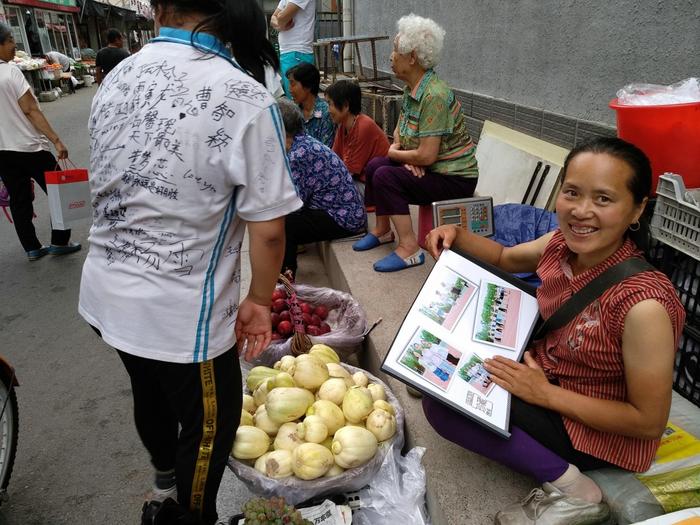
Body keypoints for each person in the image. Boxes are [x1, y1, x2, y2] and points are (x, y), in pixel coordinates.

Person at [78, 0, 302, 523]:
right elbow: (269, 232)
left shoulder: (118, 75)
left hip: (106, 294)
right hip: (182, 316)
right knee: (212, 427)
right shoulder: (247, 96)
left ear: (157, 8)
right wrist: (259, 301)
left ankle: (163, 476)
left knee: (147, 386)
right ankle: (191, 514)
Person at [423, 137, 686, 525]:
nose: (581, 211)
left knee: (442, 406)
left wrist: (543, 394)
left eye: (603, 199)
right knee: (439, 370)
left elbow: (647, 421)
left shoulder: (643, 305)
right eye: (572, 193)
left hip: (600, 430)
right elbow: (503, 258)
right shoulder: (560, 245)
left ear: (637, 210)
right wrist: (455, 237)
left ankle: (576, 489)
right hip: (548, 372)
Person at [352, 14, 479, 273]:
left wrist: (402, 157)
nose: (391, 56)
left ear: (412, 57)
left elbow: (427, 156)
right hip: (434, 167)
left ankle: (409, 249)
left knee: (388, 175)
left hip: (455, 178)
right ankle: (383, 230)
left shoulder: (434, 95)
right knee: (376, 165)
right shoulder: (412, 88)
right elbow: (400, 133)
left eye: (396, 50)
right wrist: (408, 157)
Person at [0, 23, 81, 261]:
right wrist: (56, 140)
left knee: (19, 199)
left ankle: (32, 248)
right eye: (11, 40)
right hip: (30, 147)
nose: (15, 45)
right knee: (60, 192)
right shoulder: (10, 72)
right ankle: (60, 242)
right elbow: (31, 110)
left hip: (3, 151)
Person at [277, 98, 365, 278]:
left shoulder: (298, 154)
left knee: (286, 222)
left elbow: (295, 203)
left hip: (344, 218)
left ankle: (286, 274)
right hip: (340, 211)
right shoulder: (300, 142)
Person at [326, 79, 390, 201]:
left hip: (373, 187)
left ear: (345, 106)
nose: (328, 110)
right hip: (359, 181)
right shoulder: (343, 126)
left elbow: (347, 172)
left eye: (330, 104)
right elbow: (334, 159)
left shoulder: (363, 126)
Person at [270, 0, 316, 97]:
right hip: (289, 53)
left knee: (297, 99)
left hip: (297, 52)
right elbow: (272, 19)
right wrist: (280, 25)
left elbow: (281, 17)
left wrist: (279, 21)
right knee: (292, 96)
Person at [286, 62, 335, 147]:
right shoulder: (293, 113)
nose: (290, 89)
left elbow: (326, 151)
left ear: (307, 86)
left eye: (293, 84)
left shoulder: (326, 113)